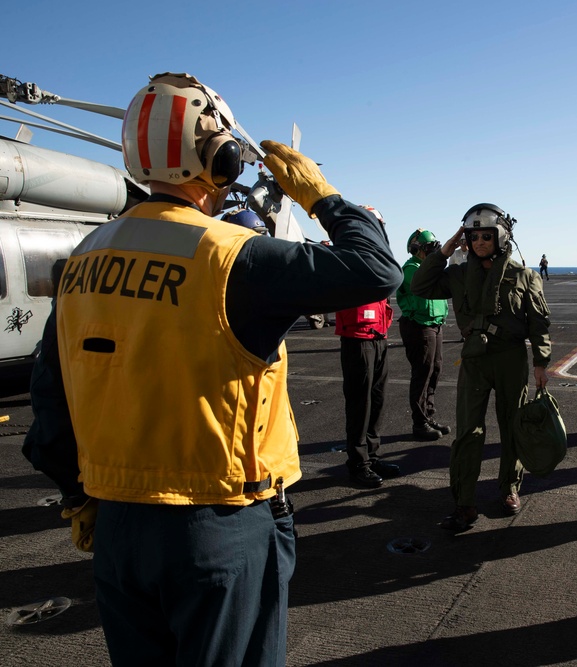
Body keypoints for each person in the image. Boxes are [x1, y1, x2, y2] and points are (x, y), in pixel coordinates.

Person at [21, 72, 402, 665]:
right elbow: (376, 270)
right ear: (217, 156)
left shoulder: (83, 261)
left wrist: (80, 493)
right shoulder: (234, 256)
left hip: (118, 525)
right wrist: (322, 195)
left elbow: (50, 395)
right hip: (216, 525)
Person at [411, 203, 551, 532]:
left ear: (501, 236)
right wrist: (444, 251)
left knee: (512, 425)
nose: (479, 242)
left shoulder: (524, 276)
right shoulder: (457, 274)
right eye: (473, 236)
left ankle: (510, 489)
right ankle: (464, 502)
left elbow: (539, 323)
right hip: (474, 360)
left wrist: (542, 362)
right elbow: (420, 287)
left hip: (510, 358)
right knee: (468, 432)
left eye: (486, 235)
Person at [336, 205, 399, 489]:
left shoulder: (377, 255)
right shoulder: (350, 253)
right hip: (358, 337)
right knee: (360, 402)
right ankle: (358, 463)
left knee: (377, 399)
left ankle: (372, 457)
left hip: (378, 335)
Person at [397, 228, 452, 441]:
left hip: (434, 324)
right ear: (416, 249)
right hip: (418, 325)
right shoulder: (411, 269)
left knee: (435, 370)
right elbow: (425, 279)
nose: (432, 252)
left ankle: (428, 416)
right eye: (428, 248)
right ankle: (419, 424)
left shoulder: (429, 268)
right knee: (422, 372)